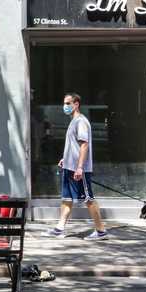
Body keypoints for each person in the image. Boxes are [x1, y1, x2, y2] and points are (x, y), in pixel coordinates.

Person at [43, 93, 108, 240]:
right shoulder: (73, 121)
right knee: (67, 198)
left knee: (88, 199)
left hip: (79, 170)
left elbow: (84, 145)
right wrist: (65, 159)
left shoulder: (81, 122)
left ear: (76, 104)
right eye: (64, 103)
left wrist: (79, 167)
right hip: (69, 167)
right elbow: (74, 146)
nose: (65, 106)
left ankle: (101, 231)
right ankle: (59, 229)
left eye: (68, 103)